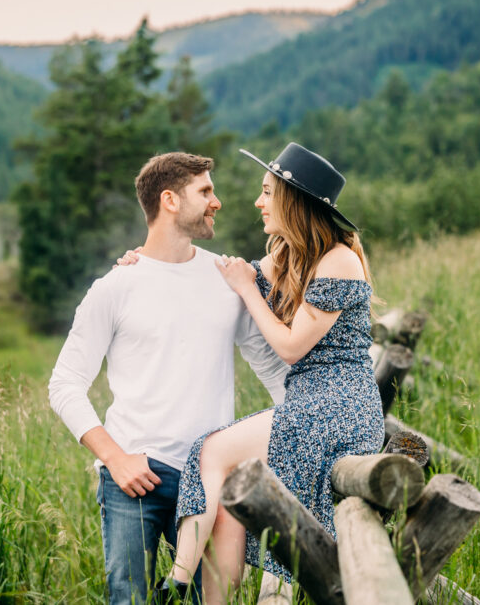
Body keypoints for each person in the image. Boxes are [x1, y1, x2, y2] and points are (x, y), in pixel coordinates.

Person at [47, 151, 291, 605]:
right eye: (205, 191)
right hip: (135, 475)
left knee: (210, 600)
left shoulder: (228, 278)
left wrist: (306, 430)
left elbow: (272, 368)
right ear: (170, 200)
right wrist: (115, 458)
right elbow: (64, 384)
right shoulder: (115, 287)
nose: (217, 201)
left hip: (210, 475)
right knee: (131, 601)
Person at [153, 142, 384, 603]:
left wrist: (248, 289)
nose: (258, 203)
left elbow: (292, 347)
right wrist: (146, 263)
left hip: (340, 408)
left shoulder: (339, 259)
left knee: (210, 452)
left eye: (266, 193)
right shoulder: (286, 255)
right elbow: (225, 278)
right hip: (308, 404)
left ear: (292, 201)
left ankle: (175, 585)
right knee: (228, 489)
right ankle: (198, 592)